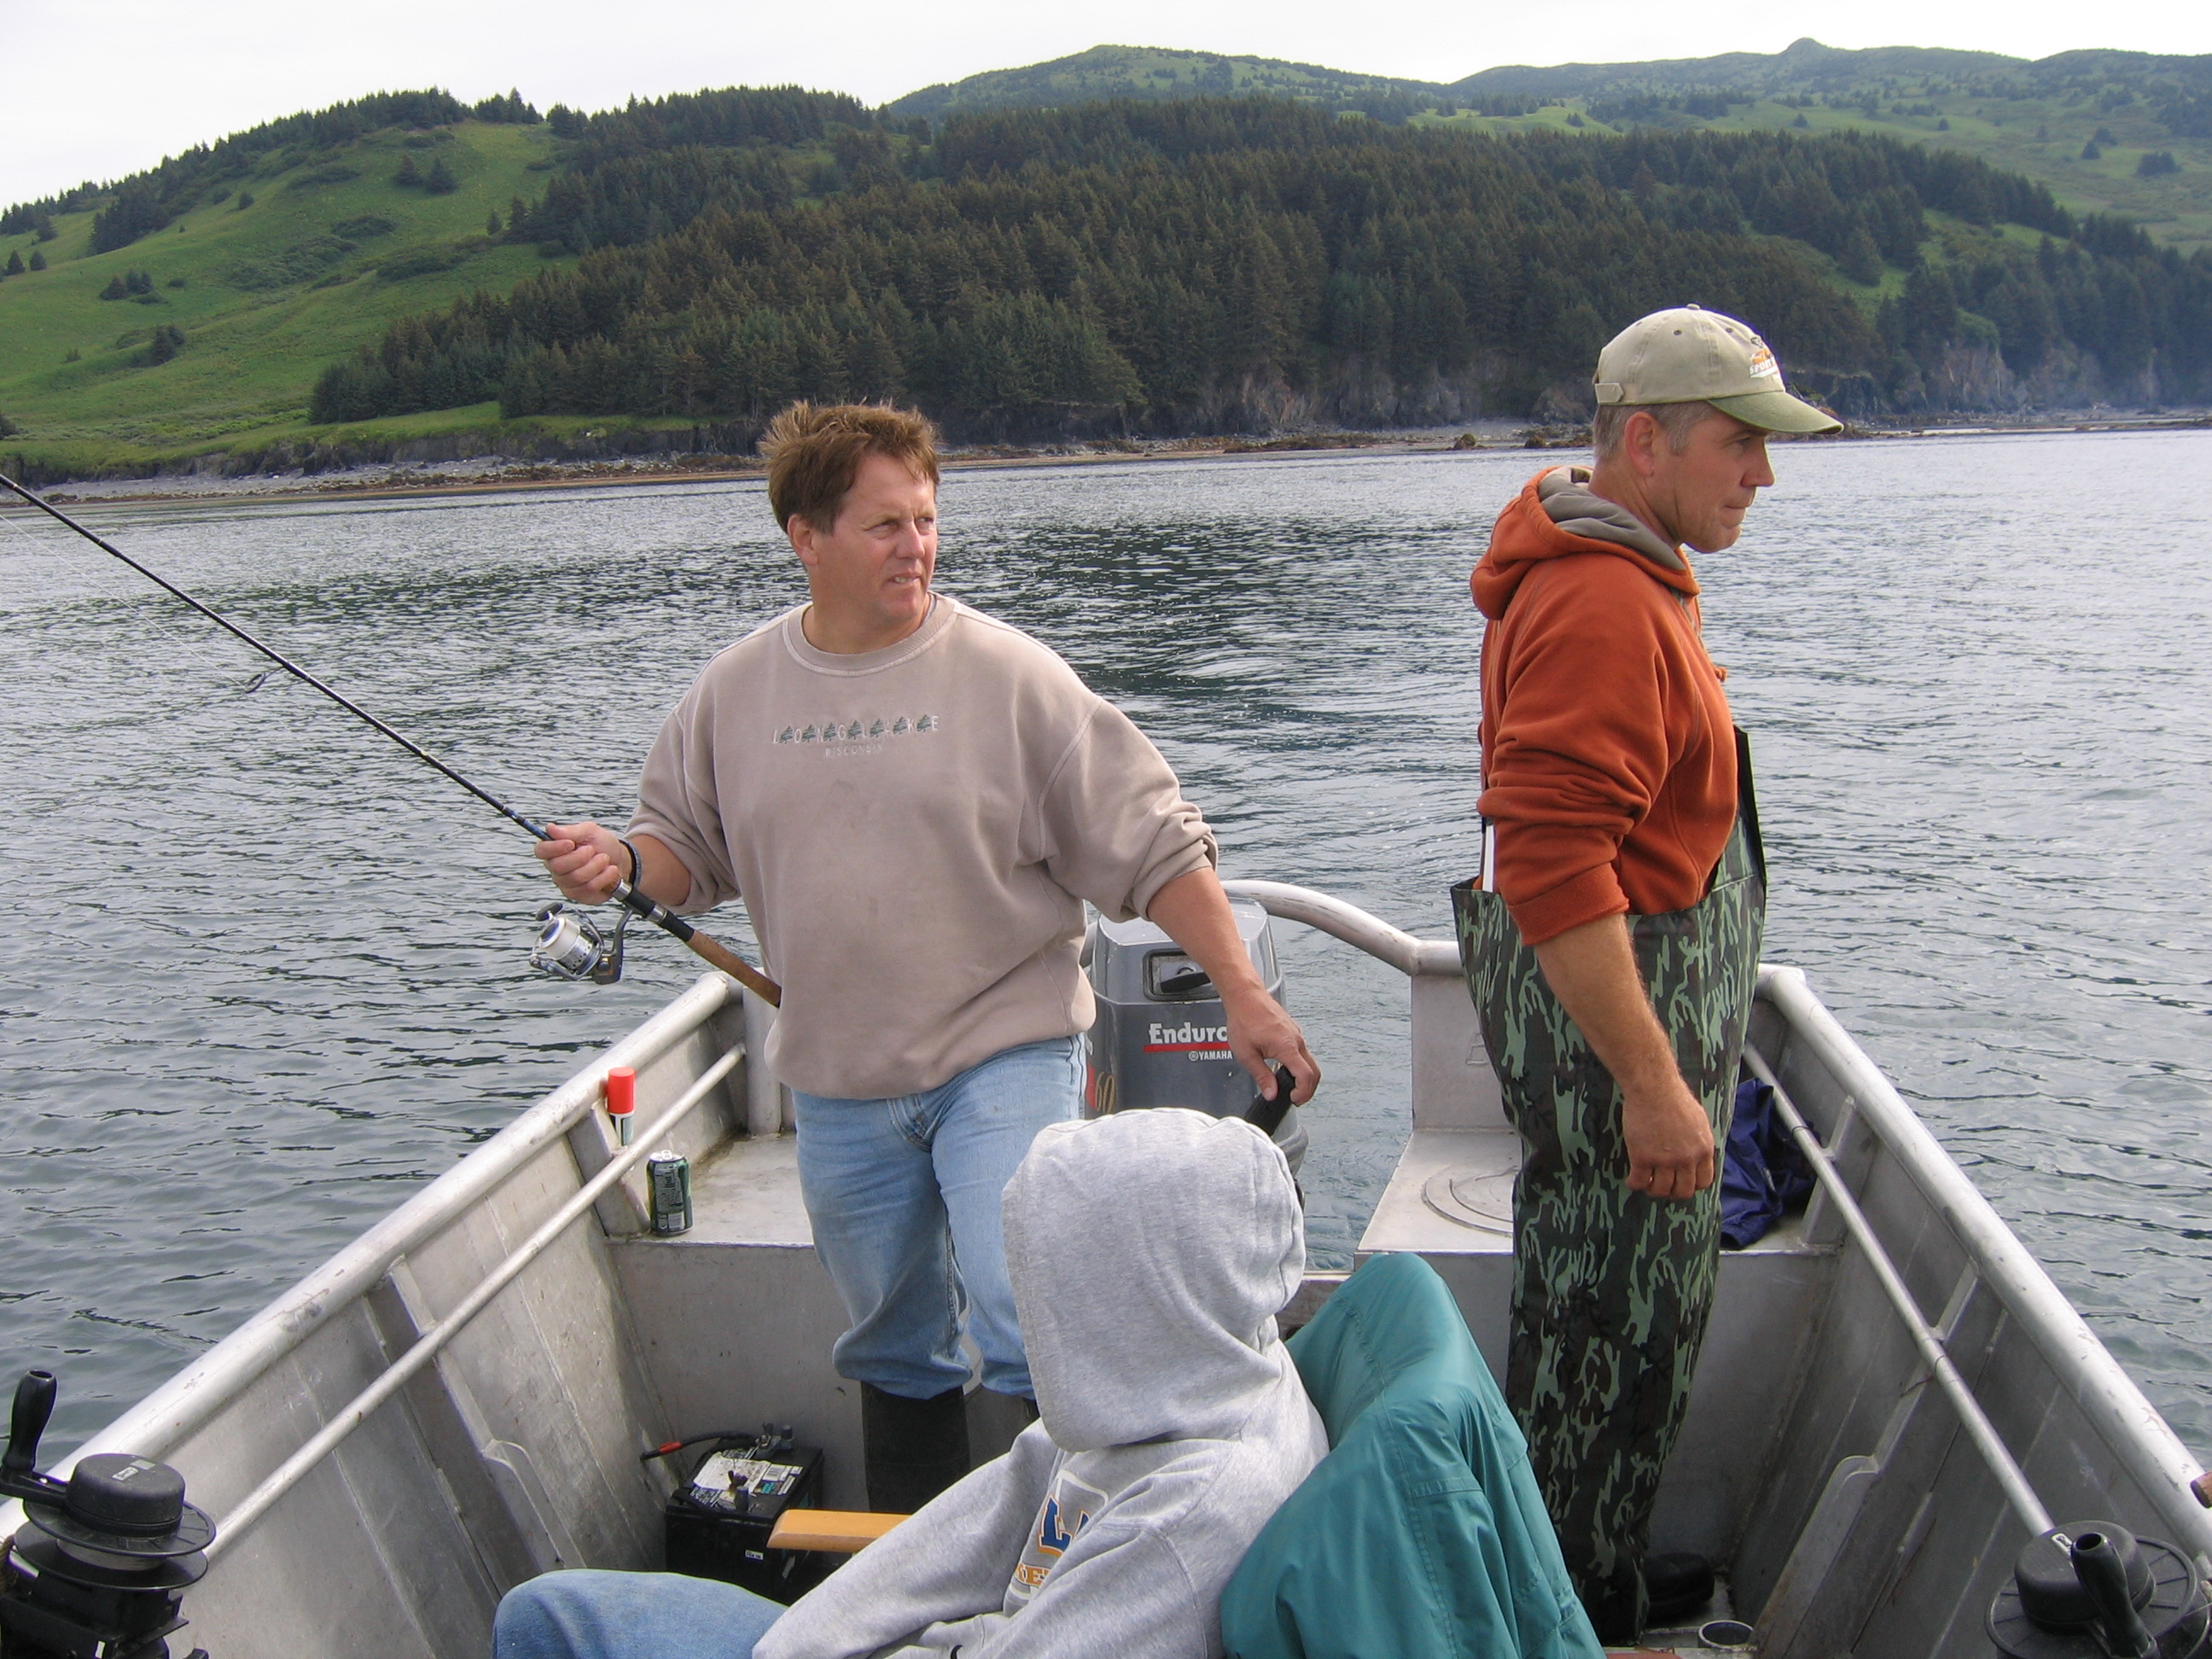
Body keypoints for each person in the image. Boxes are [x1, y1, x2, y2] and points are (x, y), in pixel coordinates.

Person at [535, 403, 1317, 1512]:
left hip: (1004, 1054)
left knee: (1023, 1309)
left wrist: (1242, 990)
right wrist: (618, 861)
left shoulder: (1010, 677)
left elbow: (1154, 843)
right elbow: (682, 853)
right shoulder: (732, 696)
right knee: (891, 1341)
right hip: (839, 1080)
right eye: (884, 526)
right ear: (806, 537)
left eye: (926, 520)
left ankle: (1077, 1552)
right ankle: (921, 1558)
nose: (916, 546)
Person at [1452, 306, 1838, 1640]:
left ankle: (1587, 1572)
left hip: (1627, 1050)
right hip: (1623, 1060)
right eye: (1741, 444)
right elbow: (1553, 863)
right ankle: (1561, 1609)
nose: (1763, 476)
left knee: (1617, 1326)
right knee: (1603, 1340)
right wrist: (1656, 1085)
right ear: (1646, 443)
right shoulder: (1604, 601)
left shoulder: (1628, 571)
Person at [492, 1106, 1328, 1659]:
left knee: (546, 1622)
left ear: (1143, 1289)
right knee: (549, 1610)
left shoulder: (1188, 1520)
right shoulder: (1190, 1370)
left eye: (1061, 1286)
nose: (1037, 1314)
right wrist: (810, 1640)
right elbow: (990, 1517)